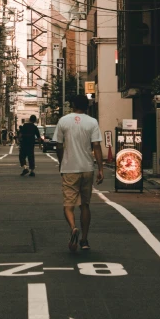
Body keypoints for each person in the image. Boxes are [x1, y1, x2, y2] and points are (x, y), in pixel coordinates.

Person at [53, 94, 103, 252]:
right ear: (87, 106)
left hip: (69, 168)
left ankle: (73, 227)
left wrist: (62, 163)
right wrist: (101, 168)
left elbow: (59, 145)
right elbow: (96, 146)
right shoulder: (92, 122)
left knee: (68, 205)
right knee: (85, 205)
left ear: (73, 105)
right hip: (87, 168)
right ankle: (85, 240)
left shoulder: (63, 121)